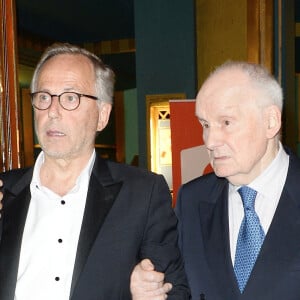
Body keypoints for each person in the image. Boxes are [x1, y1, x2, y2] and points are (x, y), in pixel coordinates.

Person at [0, 43, 190, 300]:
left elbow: (175, 291)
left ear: (102, 115)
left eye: (70, 98)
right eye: (43, 97)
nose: (52, 111)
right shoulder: (5, 192)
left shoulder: (141, 195)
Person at [131, 61, 300, 300]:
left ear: (270, 122)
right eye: (205, 125)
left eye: (226, 123)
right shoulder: (191, 200)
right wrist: (148, 290)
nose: (209, 141)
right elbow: (178, 289)